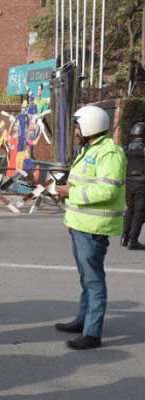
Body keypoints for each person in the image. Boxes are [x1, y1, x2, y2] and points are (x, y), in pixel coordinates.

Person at [54, 105, 126, 350]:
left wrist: (70, 192)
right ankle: (83, 320)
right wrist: (65, 196)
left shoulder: (109, 153)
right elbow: (81, 183)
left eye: (77, 125)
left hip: (94, 226)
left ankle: (92, 333)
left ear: (91, 124)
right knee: (86, 278)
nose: (75, 130)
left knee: (94, 280)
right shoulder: (88, 150)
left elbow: (108, 189)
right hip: (80, 223)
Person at [122, 122, 145, 250]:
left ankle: (124, 237)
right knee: (139, 212)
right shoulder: (143, 148)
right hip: (142, 183)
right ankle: (133, 240)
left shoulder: (126, 148)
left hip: (128, 182)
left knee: (130, 210)